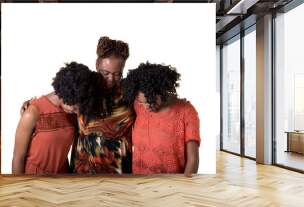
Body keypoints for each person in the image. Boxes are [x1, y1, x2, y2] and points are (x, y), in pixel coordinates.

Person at [21, 36, 135, 174]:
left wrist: (128, 142)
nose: (111, 79)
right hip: (83, 167)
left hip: (118, 166)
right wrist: (34, 108)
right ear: (97, 64)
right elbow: (60, 97)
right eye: (105, 73)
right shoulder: (84, 86)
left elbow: (146, 115)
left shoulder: (129, 91)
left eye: (118, 74)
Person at [12, 62, 105, 175]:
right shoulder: (32, 113)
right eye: (75, 108)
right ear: (65, 95)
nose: (77, 112)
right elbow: (18, 158)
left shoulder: (72, 112)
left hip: (62, 174)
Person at [122, 62, 200, 177]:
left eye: (150, 101)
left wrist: (185, 187)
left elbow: (193, 160)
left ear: (163, 91)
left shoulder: (187, 112)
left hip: (170, 187)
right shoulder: (137, 106)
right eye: (141, 102)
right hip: (138, 184)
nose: (146, 106)